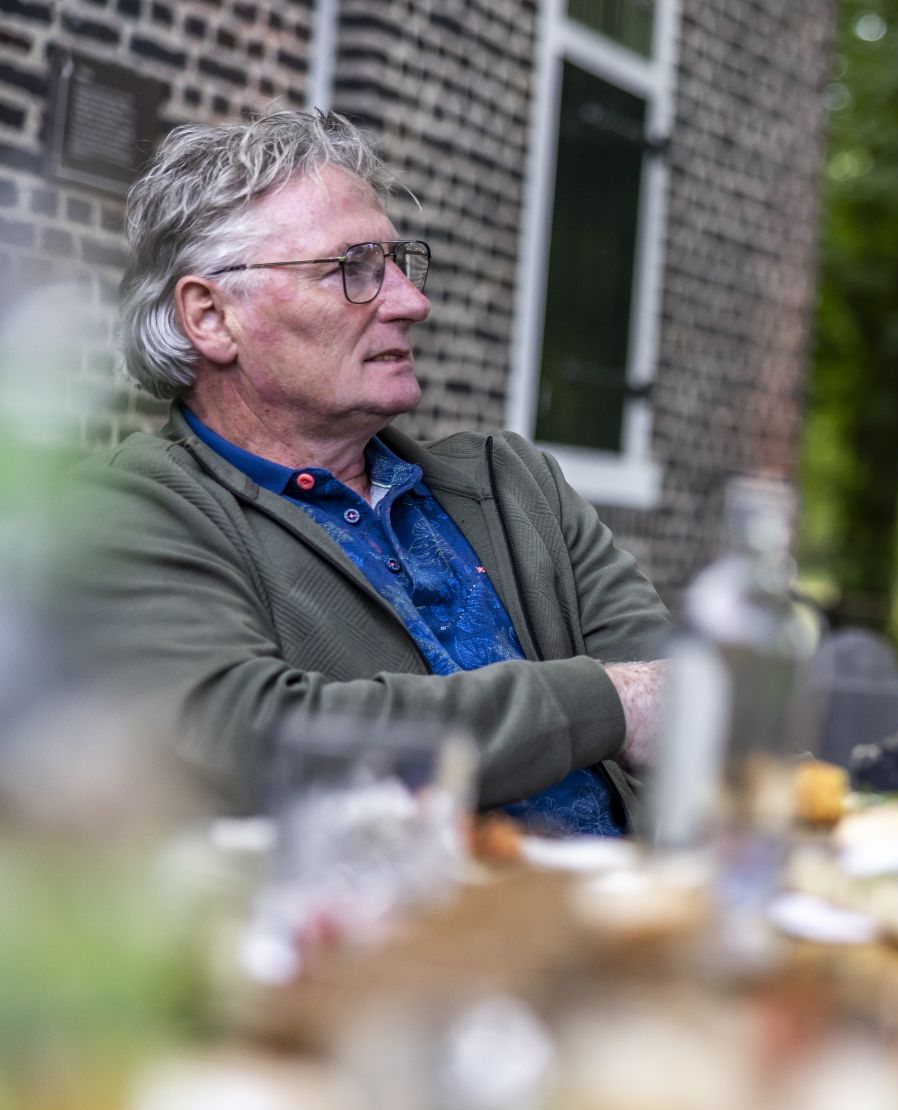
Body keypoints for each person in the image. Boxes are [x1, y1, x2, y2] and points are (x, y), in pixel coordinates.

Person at [62, 110, 670, 835]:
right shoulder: (131, 511)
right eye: (351, 269)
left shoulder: (514, 484)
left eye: (398, 265)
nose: (413, 303)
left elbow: (687, 704)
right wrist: (609, 703)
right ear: (212, 316)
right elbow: (261, 739)